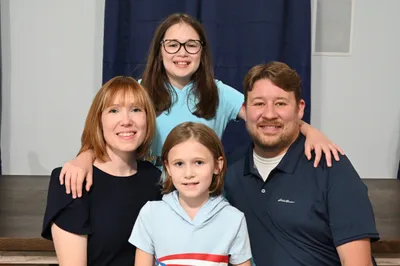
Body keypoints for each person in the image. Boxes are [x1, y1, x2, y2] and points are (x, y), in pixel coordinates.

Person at [59, 13, 343, 198]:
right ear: (160, 50)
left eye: (191, 45)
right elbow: (107, 132)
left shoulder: (218, 93)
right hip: (146, 196)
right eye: (172, 44)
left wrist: (309, 131)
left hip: (200, 198)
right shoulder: (139, 90)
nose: (182, 53)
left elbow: (265, 117)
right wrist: (83, 158)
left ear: (202, 51)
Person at [225, 62, 380, 266]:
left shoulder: (330, 167)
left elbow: (357, 263)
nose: (269, 114)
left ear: (300, 109)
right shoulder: (230, 171)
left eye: (280, 103)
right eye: (259, 103)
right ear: (245, 109)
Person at [41, 77, 162, 266]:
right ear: (99, 121)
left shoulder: (154, 179)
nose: (126, 121)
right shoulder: (72, 180)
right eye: (114, 110)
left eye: (136, 110)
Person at [129, 122, 252, 266]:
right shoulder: (150, 214)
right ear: (167, 167)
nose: (188, 174)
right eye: (179, 164)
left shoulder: (233, 219)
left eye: (198, 162)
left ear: (217, 165)